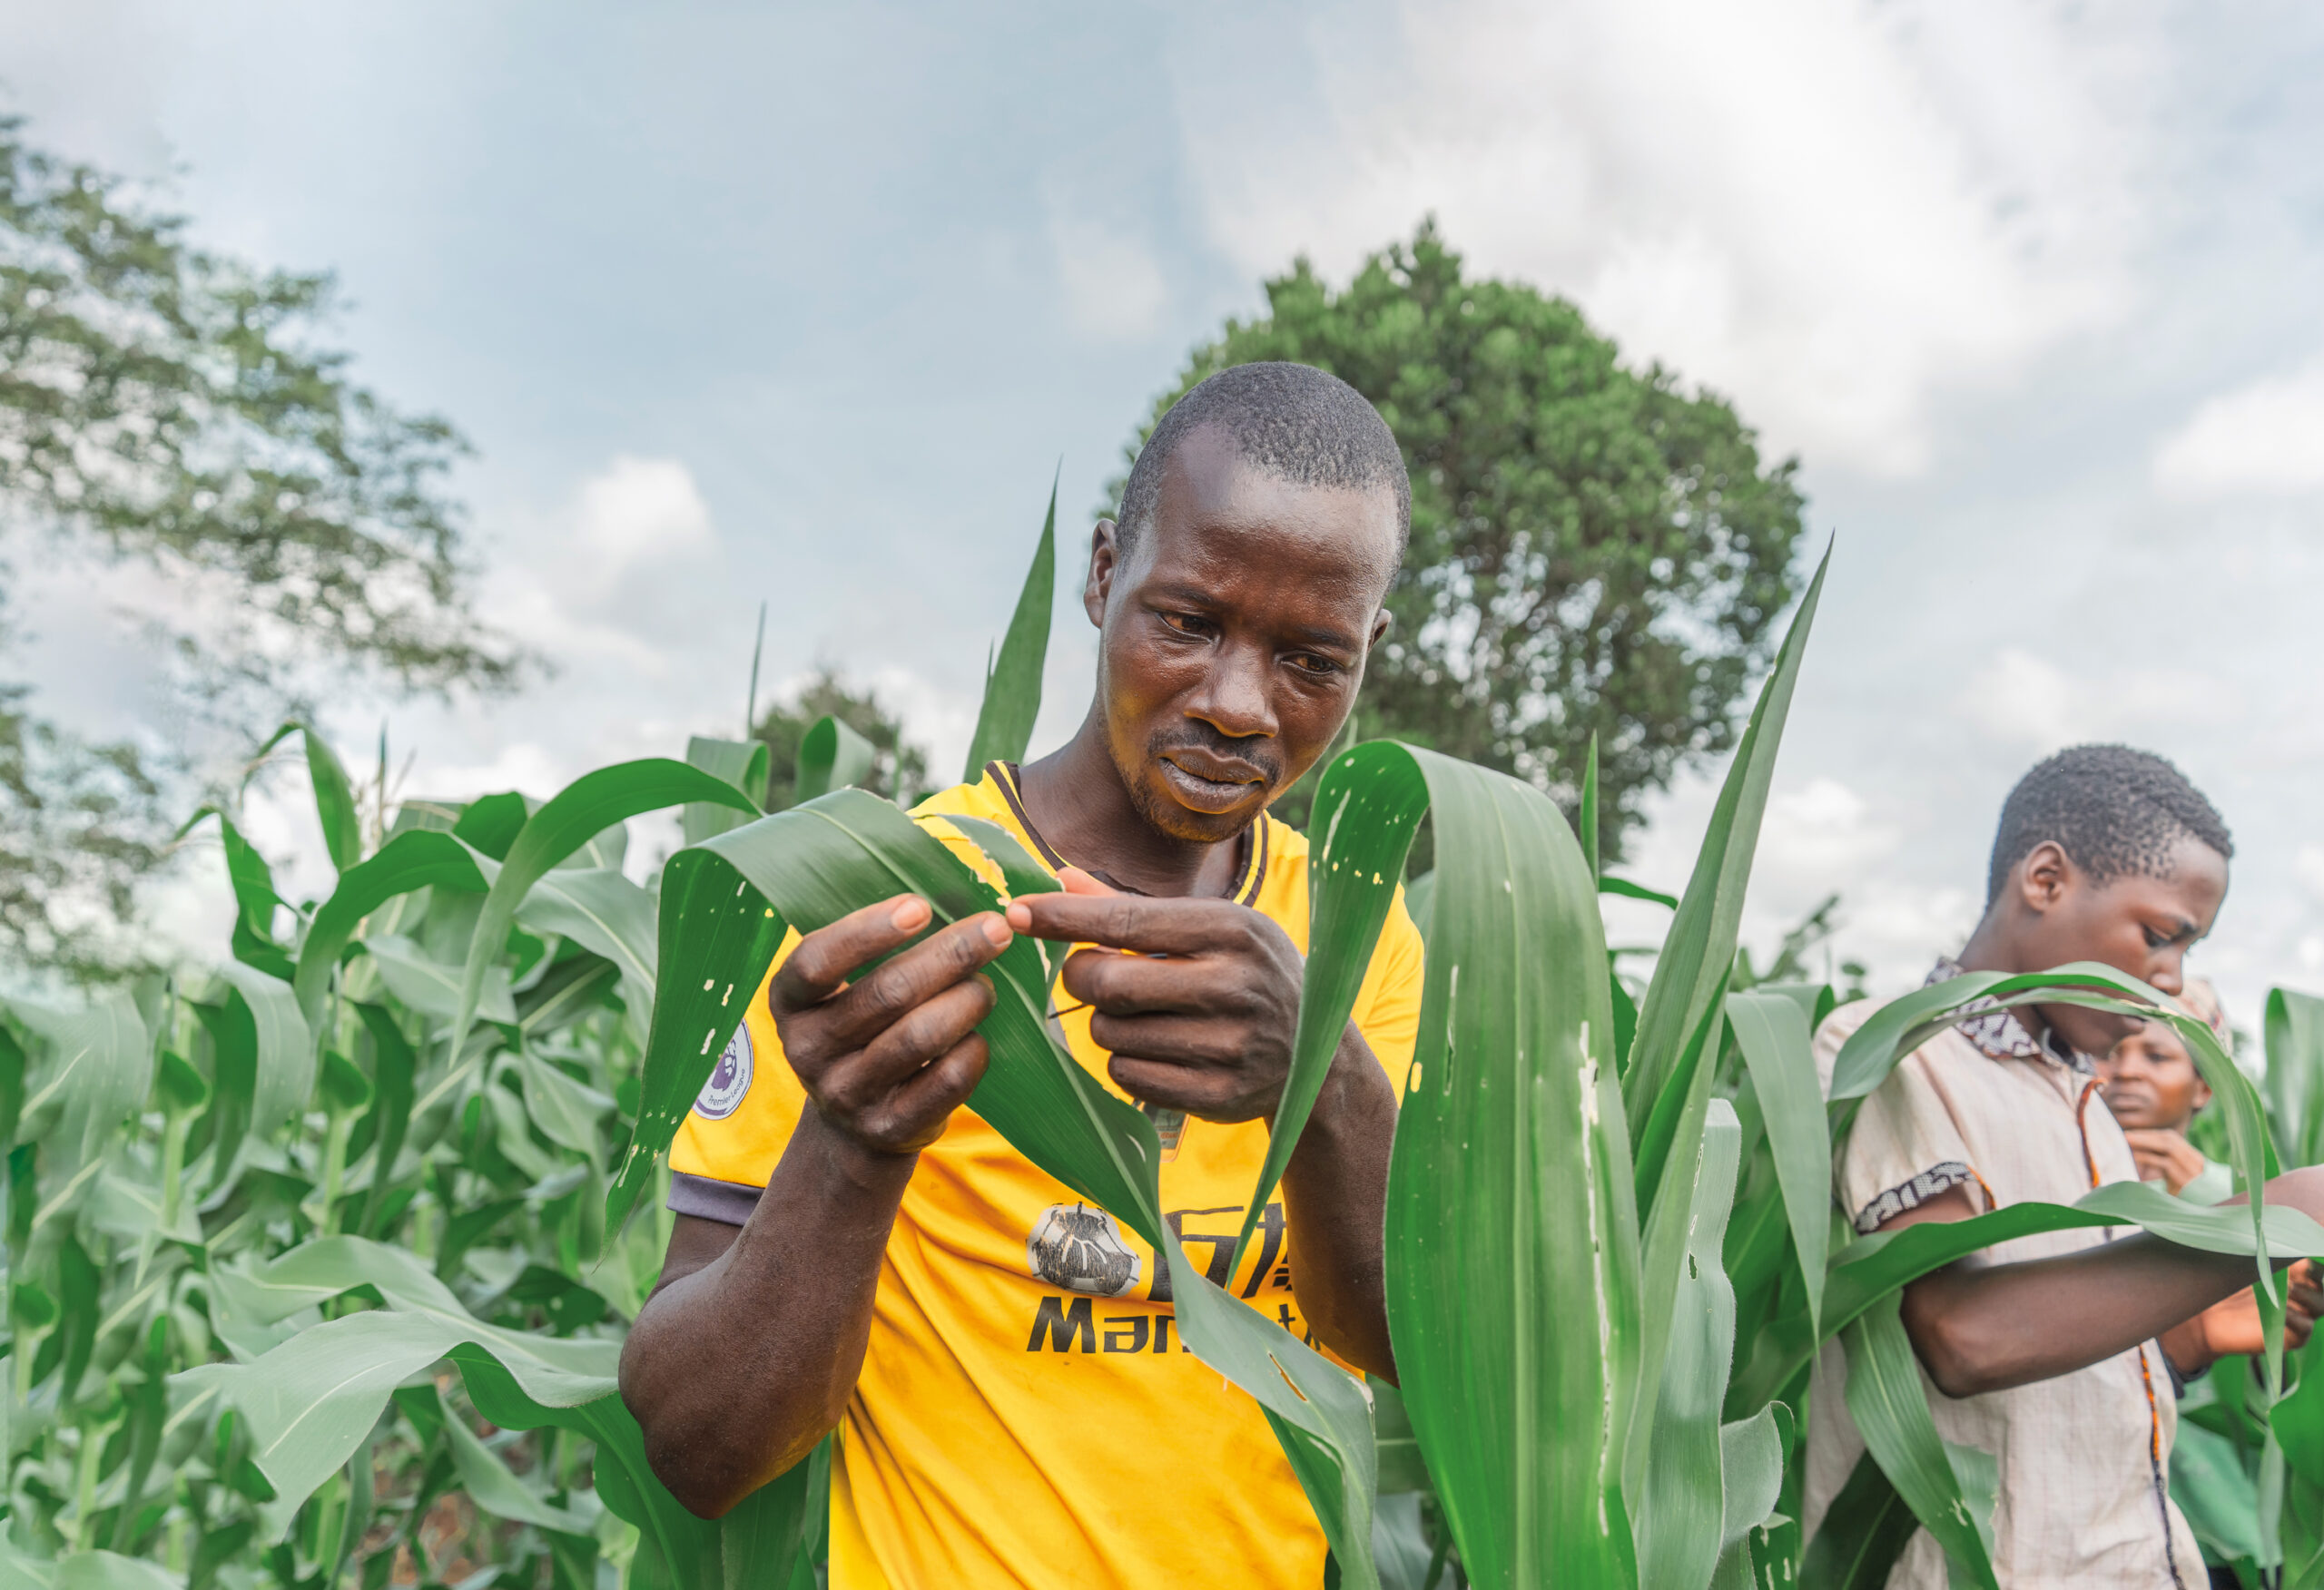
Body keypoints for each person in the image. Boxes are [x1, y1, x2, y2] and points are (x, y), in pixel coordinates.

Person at [618, 362, 1427, 1590]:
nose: (1237, 705)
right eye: (1190, 620)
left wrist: (1319, 1081)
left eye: (1311, 658)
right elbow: (699, 1448)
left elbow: (1415, 1359)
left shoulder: (1359, 932)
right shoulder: (881, 910)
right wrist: (854, 1142)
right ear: (1104, 575)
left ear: (1372, 650)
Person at [1804, 745, 2324, 1588]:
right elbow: (1962, 1336)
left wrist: (2192, 1338)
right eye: (2160, 938)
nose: (2169, 982)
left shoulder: (2081, 1100)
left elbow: (2073, 1375)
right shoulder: (1896, 1052)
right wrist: (2273, 1215)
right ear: (2045, 880)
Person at [2099, 978, 2233, 1203]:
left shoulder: (2246, 1199)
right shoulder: (2054, 1173)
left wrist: (2205, 1195)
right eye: (2107, 1054)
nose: (2126, 1071)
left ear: (2203, 1089)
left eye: (2156, 1057)